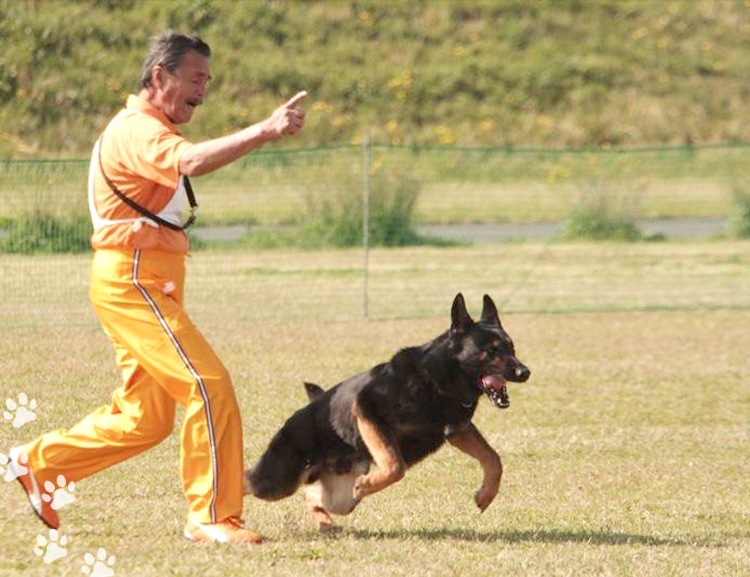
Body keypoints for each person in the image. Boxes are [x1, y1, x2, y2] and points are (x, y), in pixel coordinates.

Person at [9, 31, 307, 545]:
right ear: (159, 77)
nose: (203, 91)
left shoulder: (145, 128)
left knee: (144, 419)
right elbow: (190, 162)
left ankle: (37, 464)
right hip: (134, 279)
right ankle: (212, 515)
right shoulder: (138, 130)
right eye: (195, 79)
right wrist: (265, 129)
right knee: (209, 388)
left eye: (208, 81)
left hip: (142, 279)